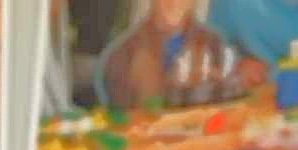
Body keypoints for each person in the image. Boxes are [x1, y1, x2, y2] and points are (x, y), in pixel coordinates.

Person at [99, 0, 261, 107]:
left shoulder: (215, 45)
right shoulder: (121, 56)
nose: (173, 2)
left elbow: (234, 105)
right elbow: (121, 127)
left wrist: (241, 80)